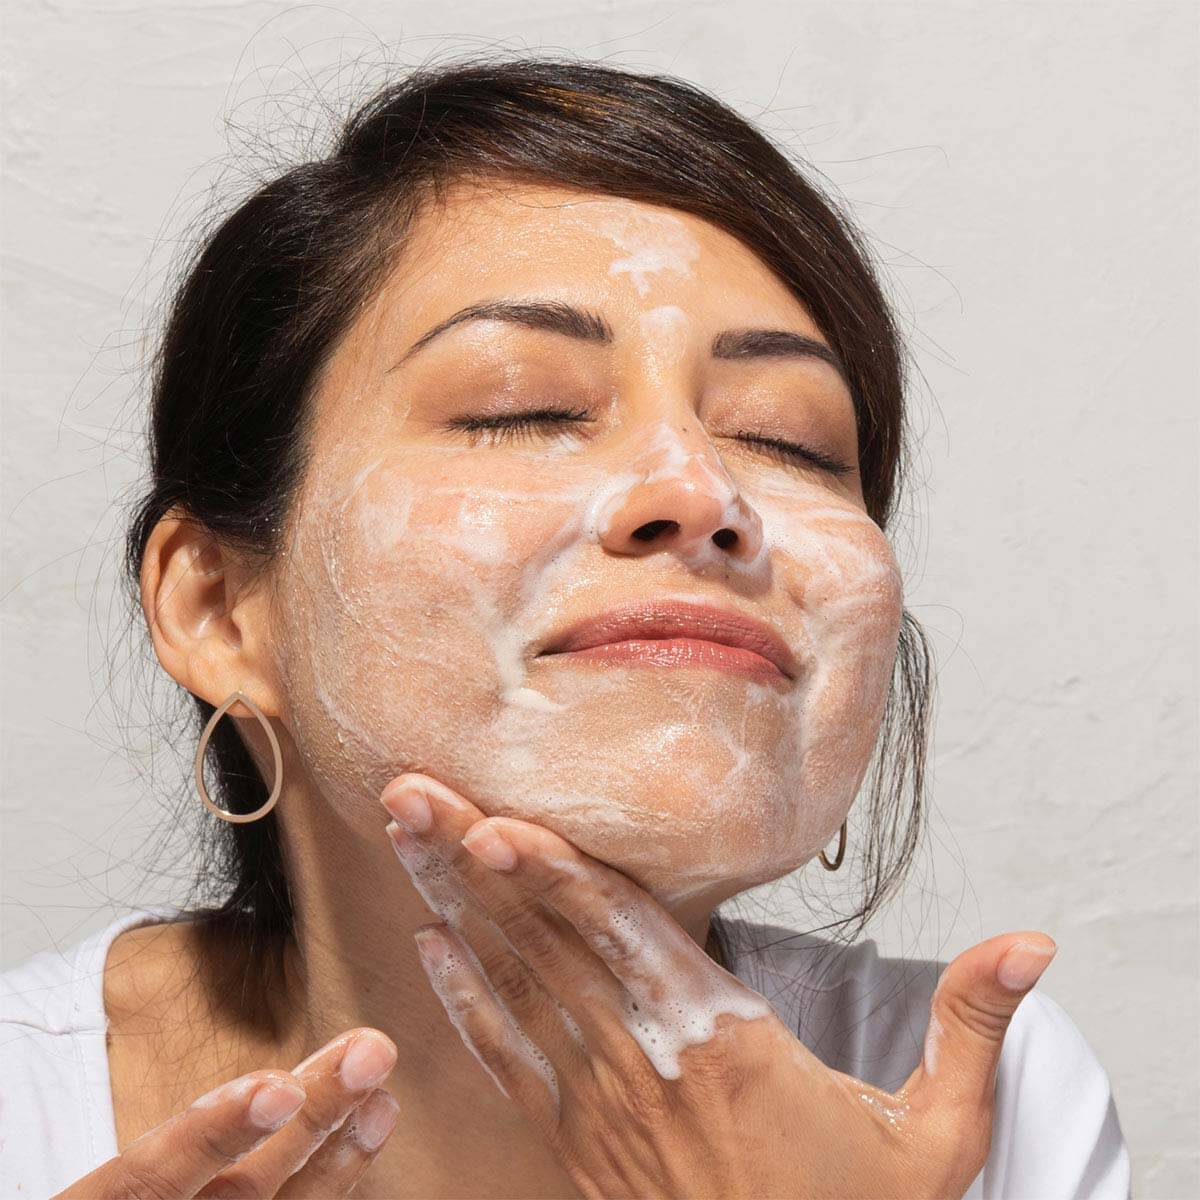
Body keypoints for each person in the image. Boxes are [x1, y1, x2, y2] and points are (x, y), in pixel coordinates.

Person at [0, 55, 1131, 1199]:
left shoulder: (975, 1104)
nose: (699, 493)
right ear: (218, 608)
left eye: (790, 441)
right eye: (522, 408)